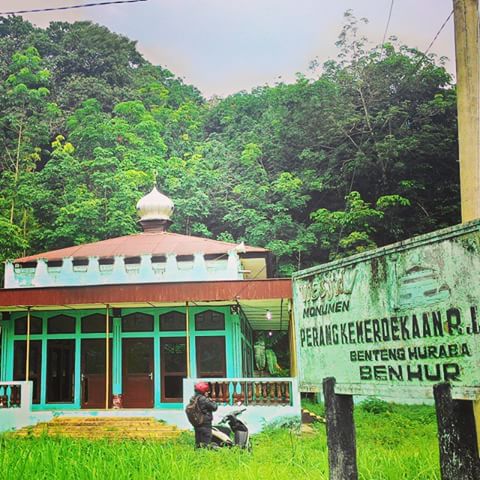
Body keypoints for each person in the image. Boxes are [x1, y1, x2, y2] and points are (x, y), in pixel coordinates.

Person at [191, 381, 218, 448]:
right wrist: (211, 400)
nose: (208, 392)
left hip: (197, 423)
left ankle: (197, 455)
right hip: (205, 424)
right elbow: (214, 407)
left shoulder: (194, 399)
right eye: (207, 391)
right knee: (206, 442)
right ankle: (204, 455)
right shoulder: (204, 399)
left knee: (198, 442)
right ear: (203, 391)